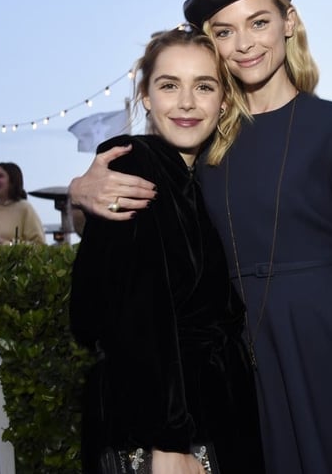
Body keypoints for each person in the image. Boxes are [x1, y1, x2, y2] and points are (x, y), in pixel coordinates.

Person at [70, 0, 332, 474]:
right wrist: (79, 192)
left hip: (331, 349)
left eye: (259, 22)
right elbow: (130, 245)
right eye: (225, 31)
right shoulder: (202, 144)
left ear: (289, 22)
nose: (245, 43)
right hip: (240, 371)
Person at [71, 27, 263, 473]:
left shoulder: (197, 179)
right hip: (172, 427)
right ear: (145, 96)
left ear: (224, 100)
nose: (186, 102)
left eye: (204, 86)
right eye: (169, 85)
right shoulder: (137, 164)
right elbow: (138, 316)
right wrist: (170, 442)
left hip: (211, 410)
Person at [0, 162, 45, 273]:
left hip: (17, 278)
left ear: (13, 181)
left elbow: (40, 246)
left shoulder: (25, 208)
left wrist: (8, 244)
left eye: (0, 176)